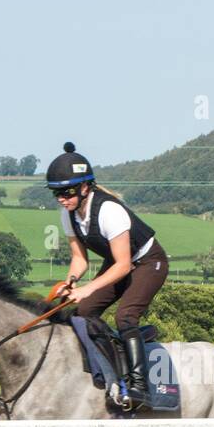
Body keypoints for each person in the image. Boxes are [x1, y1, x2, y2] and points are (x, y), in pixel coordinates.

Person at [48, 142, 168, 408]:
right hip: (118, 264)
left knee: (125, 315)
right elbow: (79, 259)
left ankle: (139, 387)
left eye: (66, 192)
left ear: (84, 187)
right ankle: (101, 373)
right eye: (56, 193)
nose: (61, 199)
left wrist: (88, 289)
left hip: (148, 263)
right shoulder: (68, 215)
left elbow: (124, 266)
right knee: (80, 314)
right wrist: (71, 283)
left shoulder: (109, 211)